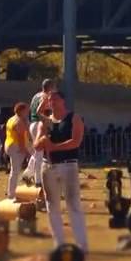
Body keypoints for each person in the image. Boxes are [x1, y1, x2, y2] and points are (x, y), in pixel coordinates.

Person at [33, 91, 88, 251]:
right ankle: (59, 244)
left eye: (55, 99)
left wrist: (54, 147)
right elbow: (36, 145)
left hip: (68, 165)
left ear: (63, 101)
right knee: (52, 206)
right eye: (50, 100)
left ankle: (82, 245)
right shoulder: (45, 122)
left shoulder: (74, 118)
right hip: (48, 166)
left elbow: (75, 142)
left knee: (73, 204)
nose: (52, 102)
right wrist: (42, 140)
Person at [24, 79, 55, 185]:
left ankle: (28, 173)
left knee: (37, 152)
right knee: (40, 153)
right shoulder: (45, 96)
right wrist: (48, 119)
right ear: (50, 87)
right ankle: (38, 180)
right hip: (39, 123)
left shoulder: (35, 95)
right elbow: (39, 110)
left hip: (33, 123)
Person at [4, 102, 32, 200]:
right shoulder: (19, 121)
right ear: (21, 111)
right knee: (15, 171)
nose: (28, 111)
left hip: (9, 144)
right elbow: (20, 137)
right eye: (26, 110)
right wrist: (25, 151)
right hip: (16, 146)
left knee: (14, 170)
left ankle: (13, 191)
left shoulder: (11, 119)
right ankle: (11, 194)